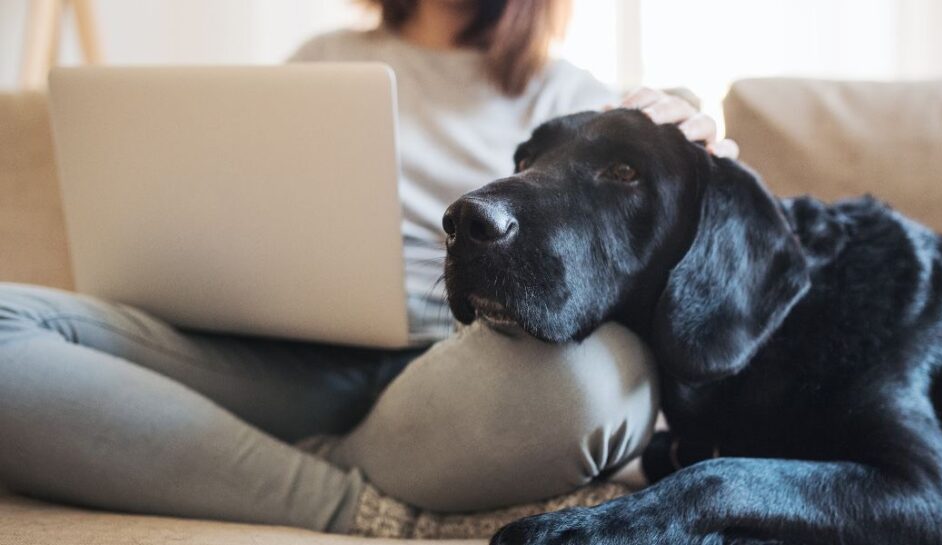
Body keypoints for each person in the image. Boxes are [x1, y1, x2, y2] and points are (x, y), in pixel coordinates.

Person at [0, 0, 737, 535]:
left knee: (594, 382)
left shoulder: (571, 95)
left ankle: (221, 453)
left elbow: (678, 237)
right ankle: (364, 504)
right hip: (274, 352)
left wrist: (701, 151)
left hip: (459, 372)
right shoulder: (322, 58)